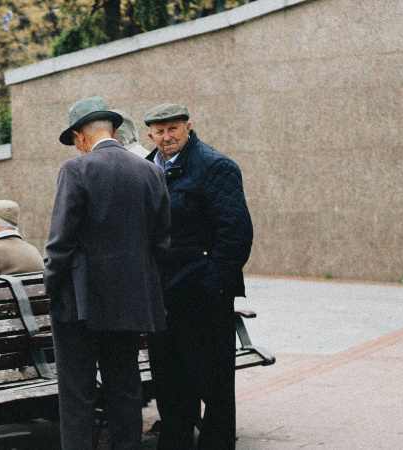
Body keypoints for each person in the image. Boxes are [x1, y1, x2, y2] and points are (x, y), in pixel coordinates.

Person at [44, 96, 171, 450]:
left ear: (80, 135)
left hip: (79, 303)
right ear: (113, 130)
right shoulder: (152, 171)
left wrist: (52, 286)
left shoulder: (75, 169)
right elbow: (162, 243)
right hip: (130, 301)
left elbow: (60, 242)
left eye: (74, 140)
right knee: (125, 388)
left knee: (77, 393)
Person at [143, 103, 253, 449]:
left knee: (214, 389)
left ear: (188, 128)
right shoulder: (146, 169)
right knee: (170, 387)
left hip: (202, 298)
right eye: (159, 131)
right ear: (150, 135)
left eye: (173, 129)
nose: (167, 137)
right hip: (163, 299)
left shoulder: (215, 166)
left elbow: (236, 234)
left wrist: (211, 286)